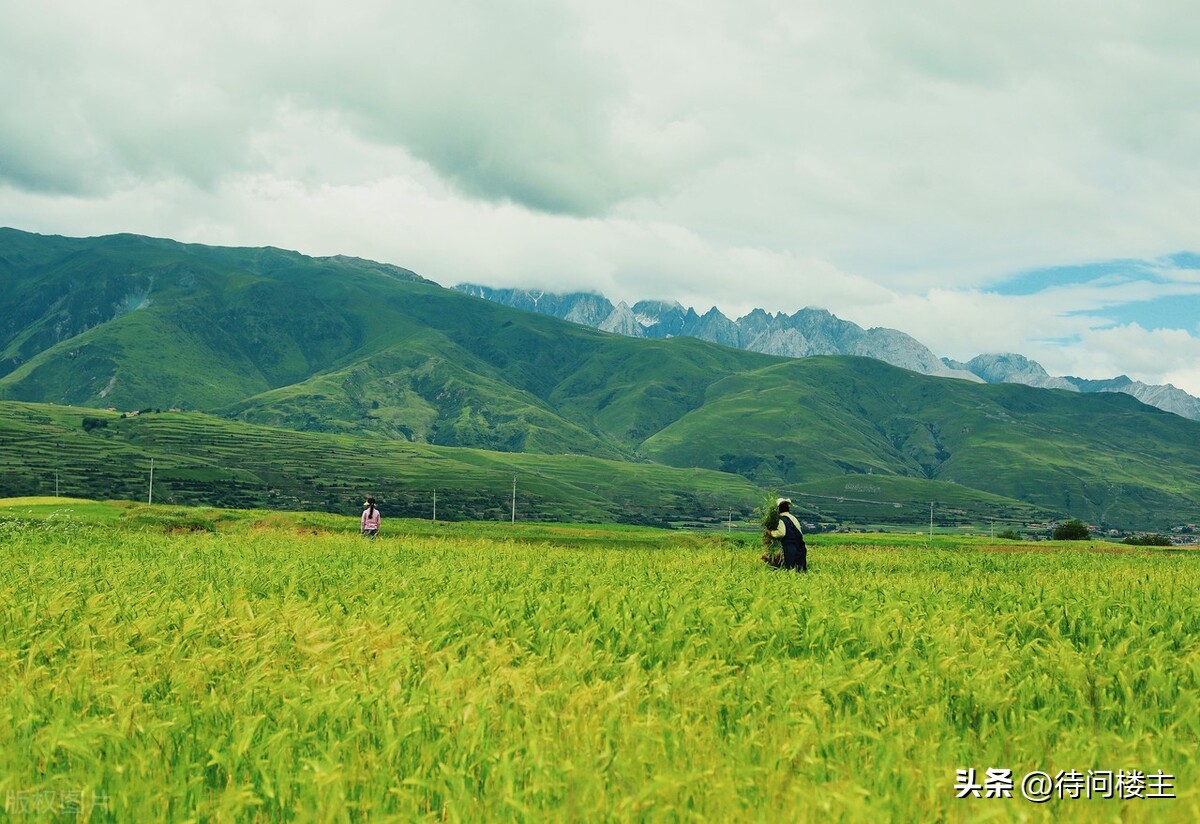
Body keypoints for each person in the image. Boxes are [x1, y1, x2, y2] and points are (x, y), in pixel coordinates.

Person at [767, 498, 807, 571]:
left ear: (778, 509)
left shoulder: (781, 520)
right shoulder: (793, 518)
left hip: (790, 547)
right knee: (800, 569)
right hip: (800, 546)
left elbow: (781, 533)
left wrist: (771, 533)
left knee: (790, 568)